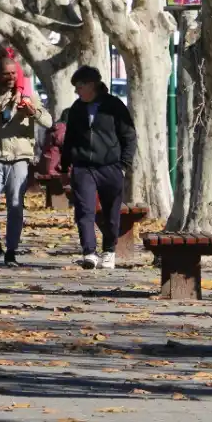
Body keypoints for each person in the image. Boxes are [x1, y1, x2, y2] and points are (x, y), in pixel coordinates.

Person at [0, 58, 51, 267]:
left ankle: (11, 250)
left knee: (15, 204)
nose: (11, 77)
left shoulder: (27, 94)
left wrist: (33, 112)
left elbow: (48, 121)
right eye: (7, 74)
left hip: (19, 158)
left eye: (14, 73)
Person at [61, 65, 136, 269]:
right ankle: (89, 253)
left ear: (91, 85)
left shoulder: (114, 106)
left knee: (112, 213)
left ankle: (109, 250)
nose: (76, 91)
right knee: (85, 211)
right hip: (83, 167)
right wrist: (65, 165)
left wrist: (123, 165)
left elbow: (128, 136)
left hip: (111, 167)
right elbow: (69, 139)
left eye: (79, 86)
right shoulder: (76, 108)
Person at [34, 107, 70, 178]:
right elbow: (65, 144)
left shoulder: (55, 126)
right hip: (54, 168)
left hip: (46, 163)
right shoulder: (62, 128)